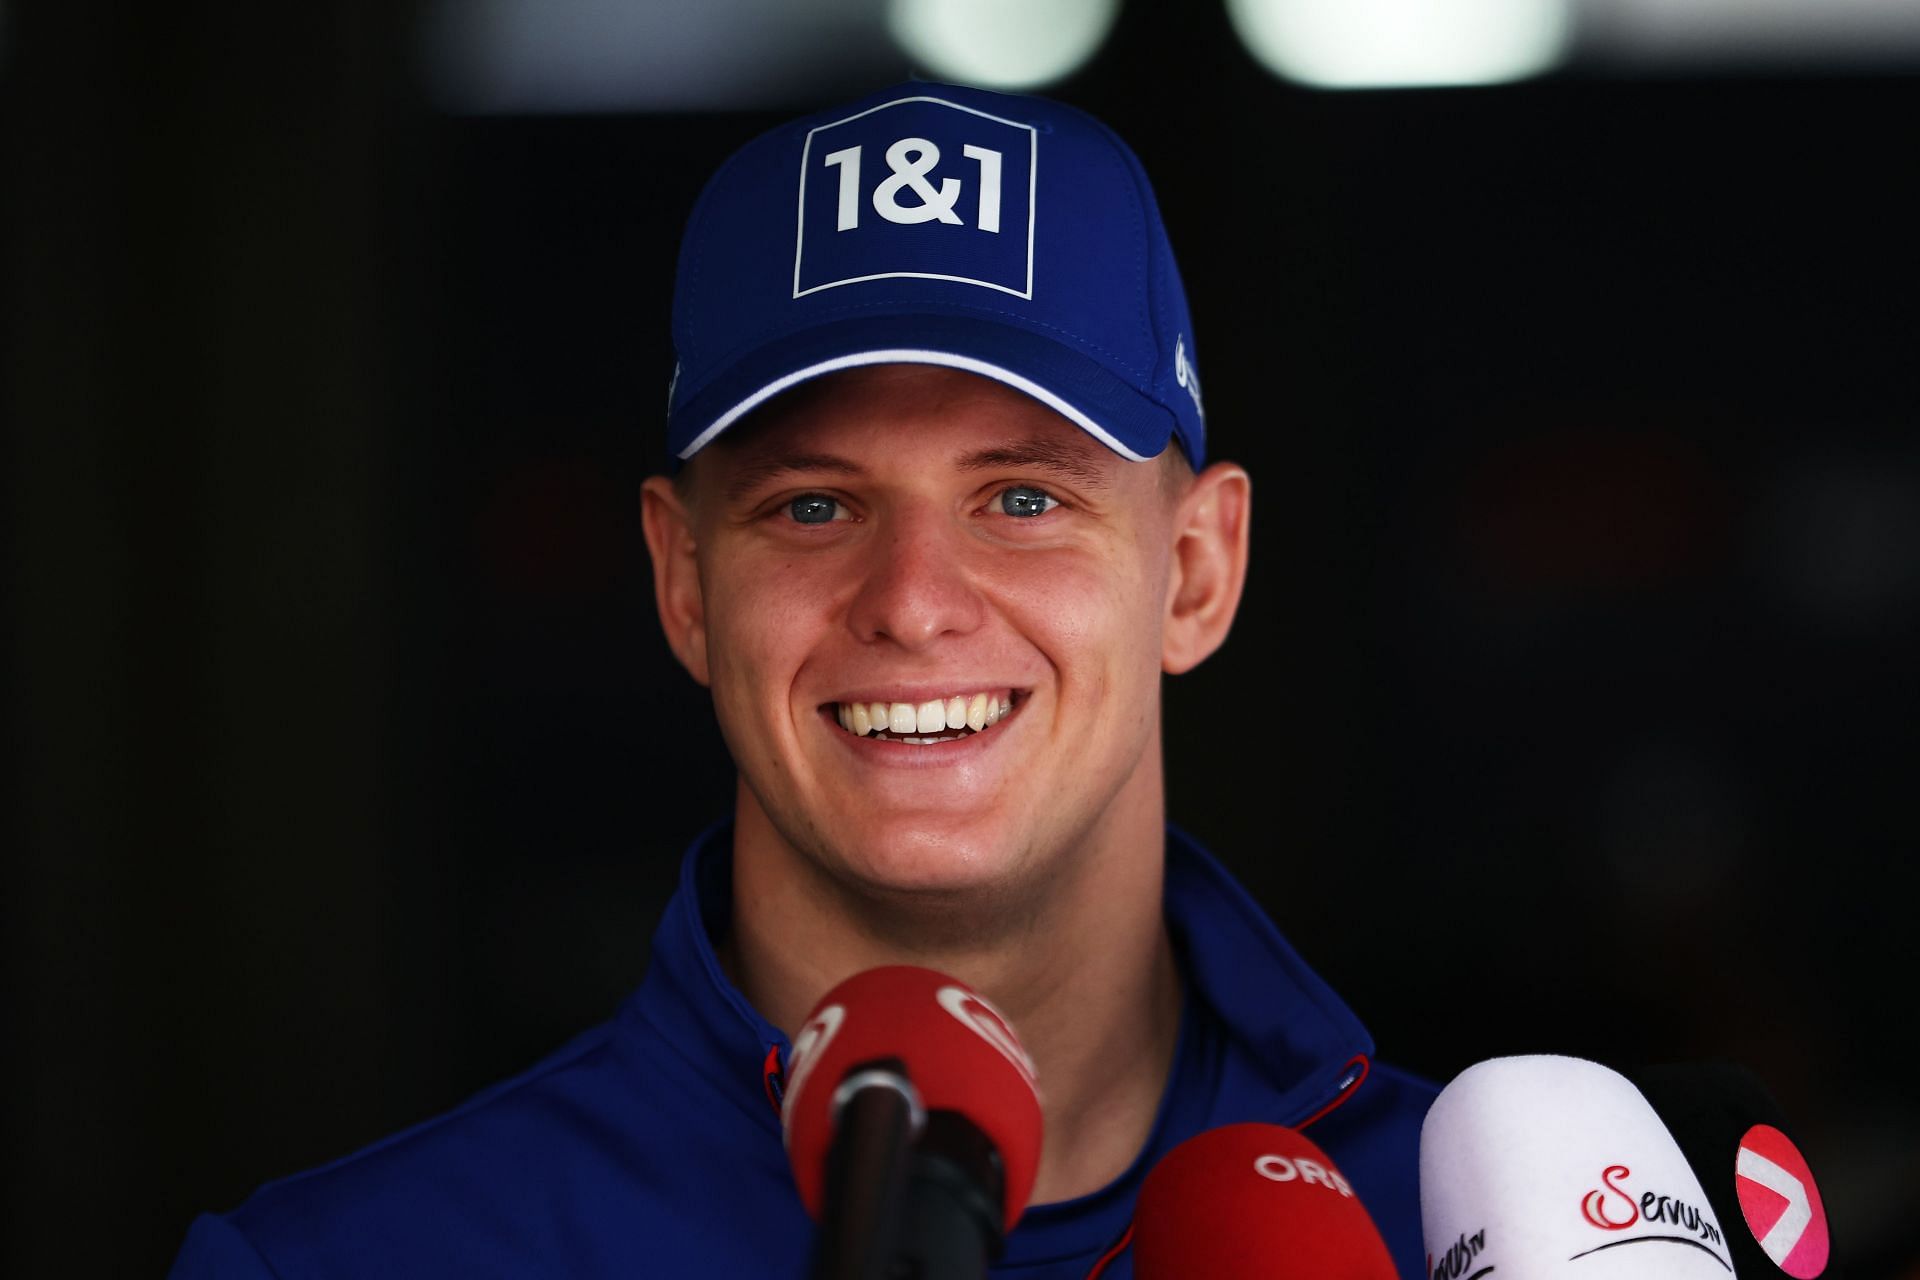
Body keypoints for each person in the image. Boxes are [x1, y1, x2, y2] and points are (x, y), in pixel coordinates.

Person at [170, 79, 1437, 1279]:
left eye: (1023, 497)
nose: (913, 600)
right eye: (816, 504)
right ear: (684, 583)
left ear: (1197, 571)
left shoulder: (1466, 1226)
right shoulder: (360, 1262)